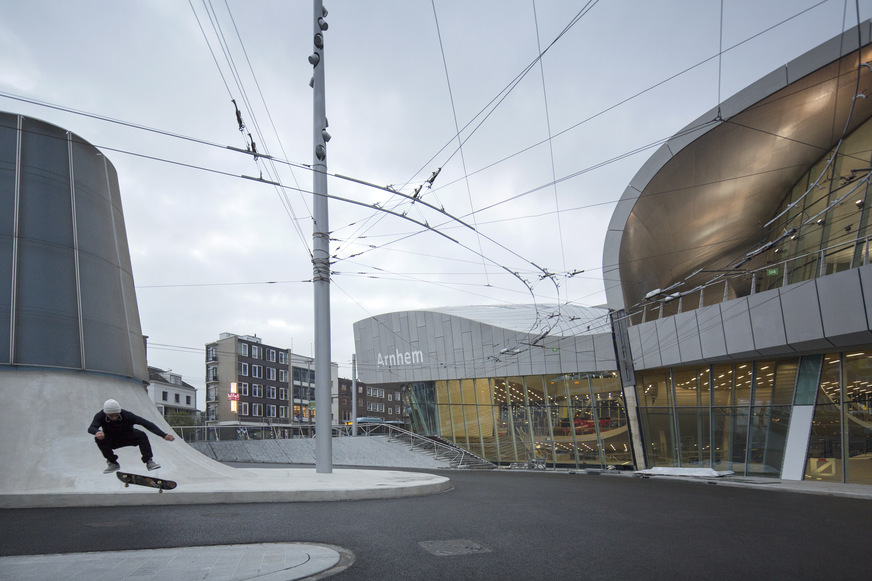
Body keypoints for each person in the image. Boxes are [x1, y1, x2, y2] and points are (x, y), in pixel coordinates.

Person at [88, 399, 175, 473]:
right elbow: (91, 427)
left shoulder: (127, 415)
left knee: (141, 434)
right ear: (106, 413)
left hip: (128, 437)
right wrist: (97, 432)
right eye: (111, 416)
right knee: (99, 438)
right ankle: (112, 462)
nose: (114, 418)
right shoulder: (100, 416)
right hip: (112, 440)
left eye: (117, 415)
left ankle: (149, 461)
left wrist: (163, 435)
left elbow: (146, 423)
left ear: (119, 411)